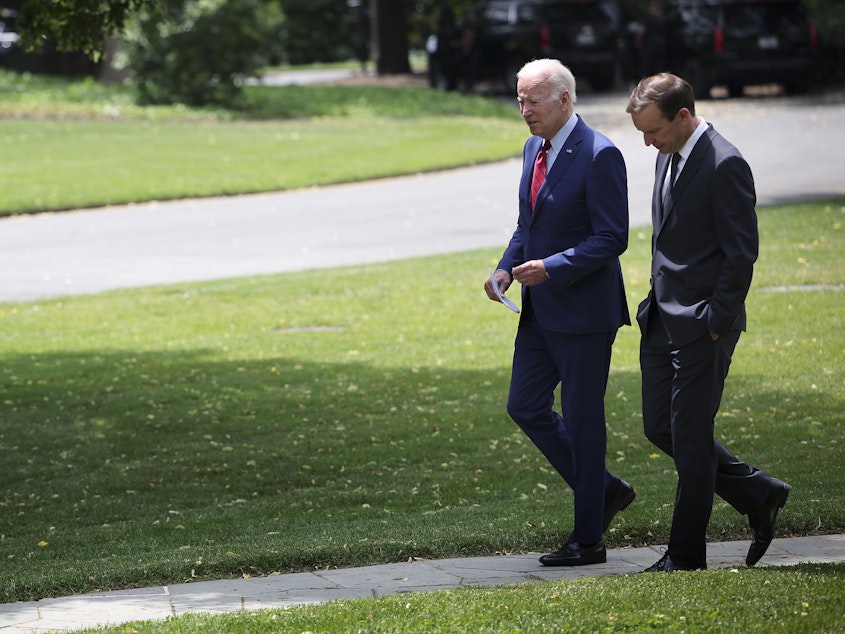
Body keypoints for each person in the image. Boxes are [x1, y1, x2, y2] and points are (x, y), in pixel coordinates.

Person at [626, 73, 790, 572]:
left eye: (652, 131)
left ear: (683, 115)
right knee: (661, 427)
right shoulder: (664, 153)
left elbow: (741, 255)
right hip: (662, 319)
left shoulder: (725, 163)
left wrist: (715, 321)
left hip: (703, 324)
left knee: (691, 437)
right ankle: (759, 492)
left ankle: (685, 556)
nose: (647, 142)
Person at [484, 59, 635, 567]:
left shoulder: (600, 154)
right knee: (524, 405)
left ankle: (589, 539)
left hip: (585, 314)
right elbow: (528, 223)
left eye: (533, 100)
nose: (524, 110)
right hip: (538, 311)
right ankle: (605, 490)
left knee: (584, 421)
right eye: (520, 100)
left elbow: (613, 238)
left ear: (564, 100)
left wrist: (552, 267)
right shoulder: (534, 147)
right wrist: (505, 270)